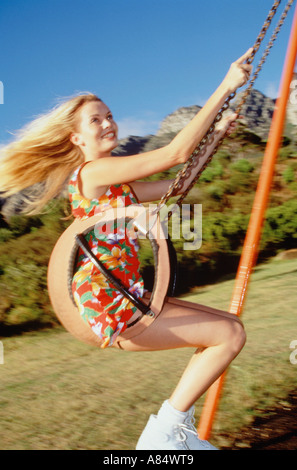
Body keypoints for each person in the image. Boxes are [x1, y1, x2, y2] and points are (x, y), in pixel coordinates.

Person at [0, 48, 253, 450]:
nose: (108, 123)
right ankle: (165, 436)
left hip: (126, 294)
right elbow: (174, 154)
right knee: (228, 336)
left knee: (229, 332)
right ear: (77, 138)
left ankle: (173, 432)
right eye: (95, 120)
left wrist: (218, 134)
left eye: (110, 115)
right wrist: (226, 85)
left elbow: (178, 188)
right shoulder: (93, 173)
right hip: (108, 302)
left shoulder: (115, 184)